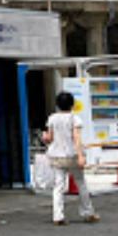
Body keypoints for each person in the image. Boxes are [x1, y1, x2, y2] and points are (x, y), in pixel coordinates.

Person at [42, 91, 99, 225]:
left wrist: (45, 137)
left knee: (58, 186)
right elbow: (76, 138)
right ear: (72, 105)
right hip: (72, 155)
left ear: (57, 105)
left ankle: (58, 216)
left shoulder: (52, 118)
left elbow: (49, 138)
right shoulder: (75, 119)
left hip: (56, 155)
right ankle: (88, 212)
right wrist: (80, 156)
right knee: (81, 183)